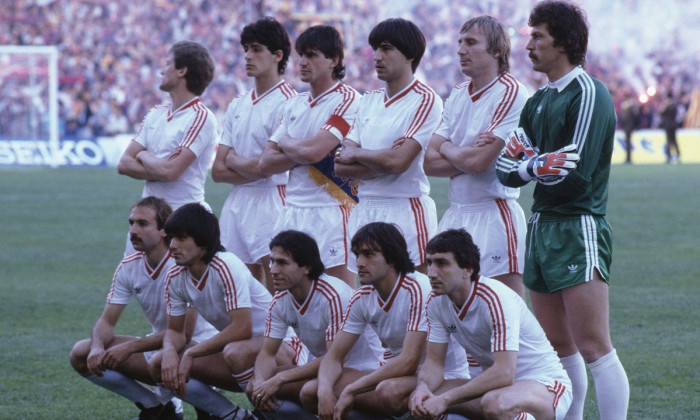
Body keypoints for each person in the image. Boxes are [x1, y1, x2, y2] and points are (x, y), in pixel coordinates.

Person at [495, 2, 629, 419]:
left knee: (593, 344)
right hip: (540, 226)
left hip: (577, 224)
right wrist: (537, 163)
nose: (529, 45)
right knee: (558, 344)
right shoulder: (537, 102)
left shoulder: (588, 92)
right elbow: (504, 169)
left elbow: (576, 174)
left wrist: (529, 163)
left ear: (565, 42)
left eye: (538, 36)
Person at [68, 197, 216, 420]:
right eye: (131, 223)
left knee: (169, 359)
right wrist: (98, 346)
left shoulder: (183, 264)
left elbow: (184, 334)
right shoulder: (129, 266)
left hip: (202, 350)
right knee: (82, 352)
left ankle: (221, 411)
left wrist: (130, 348)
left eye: (143, 224)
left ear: (164, 231)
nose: (133, 231)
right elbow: (107, 322)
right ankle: (156, 409)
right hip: (161, 348)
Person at [304, 222, 468, 419]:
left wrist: (351, 390)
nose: (359, 263)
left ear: (391, 257)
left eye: (368, 254)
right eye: (357, 255)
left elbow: (408, 361)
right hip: (398, 377)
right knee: (311, 390)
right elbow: (333, 356)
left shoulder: (419, 288)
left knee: (388, 392)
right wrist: (324, 391)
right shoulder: (362, 296)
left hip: (442, 378)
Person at [409, 228, 572, 420]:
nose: (431, 273)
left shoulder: (495, 298)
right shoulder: (436, 302)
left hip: (543, 385)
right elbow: (434, 362)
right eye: (429, 263)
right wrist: (423, 388)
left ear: (467, 269)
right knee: (423, 401)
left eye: (442, 264)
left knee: (495, 404)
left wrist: (445, 399)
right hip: (498, 388)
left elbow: (504, 372)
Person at [150, 203, 291, 420]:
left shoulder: (225, 265)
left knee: (235, 351)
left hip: (284, 347)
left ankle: (267, 414)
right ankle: (234, 416)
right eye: (171, 238)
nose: (172, 246)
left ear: (203, 243)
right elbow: (176, 332)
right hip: (241, 354)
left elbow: (242, 328)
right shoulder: (175, 275)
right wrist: (169, 350)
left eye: (180, 238)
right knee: (159, 363)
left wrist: (192, 352)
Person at [424, 15, 529, 297]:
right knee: (444, 310)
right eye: (459, 42)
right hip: (455, 212)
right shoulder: (457, 94)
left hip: (494, 212)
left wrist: (450, 148)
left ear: (496, 50)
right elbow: (428, 162)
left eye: (470, 42)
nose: (460, 49)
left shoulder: (511, 92)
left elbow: (479, 163)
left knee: (503, 314)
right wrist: (465, 152)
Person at [334, 18, 441, 274]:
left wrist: (358, 153)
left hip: (405, 209)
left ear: (410, 55)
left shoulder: (425, 100)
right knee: (371, 297)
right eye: (375, 50)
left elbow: (398, 163)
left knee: (415, 296)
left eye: (386, 48)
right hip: (365, 206)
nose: (377, 57)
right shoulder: (368, 100)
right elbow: (339, 166)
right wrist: (383, 160)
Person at [259, 25, 360, 288]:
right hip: (292, 208)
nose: (302, 62)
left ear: (333, 61)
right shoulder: (294, 103)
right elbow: (266, 162)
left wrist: (288, 144)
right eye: (301, 55)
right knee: (285, 291)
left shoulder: (347, 100)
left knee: (339, 293)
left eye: (312, 55)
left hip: (331, 209)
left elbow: (315, 151)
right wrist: (303, 150)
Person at [245, 230, 383, 419]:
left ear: (306, 267)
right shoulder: (281, 299)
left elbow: (334, 358)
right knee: (256, 384)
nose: (273, 270)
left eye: (282, 263)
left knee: (308, 390)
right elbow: (267, 353)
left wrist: (280, 378)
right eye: (272, 261)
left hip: (363, 368)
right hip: (326, 369)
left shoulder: (333, 296)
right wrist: (261, 382)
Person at [211, 17, 296, 290]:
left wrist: (237, 162)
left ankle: (286, 335)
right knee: (238, 292)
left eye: (256, 48)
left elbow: (269, 167)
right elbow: (218, 171)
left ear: (277, 56)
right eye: (246, 48)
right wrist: (253, 166)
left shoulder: (289, 103)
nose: (248, 56)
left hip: (273, 201)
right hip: (238, 202)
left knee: (278, 288)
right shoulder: (237, 104)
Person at [117, 41, 218, 253]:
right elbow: (124, 163)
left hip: (183, 221)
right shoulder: (156, 113)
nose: (162, 70)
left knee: (176, 285)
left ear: (182, 70)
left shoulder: (201, 117)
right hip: (146, 220)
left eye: (167, 64)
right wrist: (158, 165)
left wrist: (143, 154)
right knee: (135, 283)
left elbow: (170, 171)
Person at [660, 90, 681, 163]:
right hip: (674, 124)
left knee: (668, 141)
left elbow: (661, 113)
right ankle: (678, 155)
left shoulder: (666, 105)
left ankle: (669, 156)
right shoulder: (674, 105)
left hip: (668, 124)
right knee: (674, 140)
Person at [619, 88, 639, 164]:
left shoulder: (629, 105)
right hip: (627, 125)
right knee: (627, 141)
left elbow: (633, 116)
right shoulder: (628, 104)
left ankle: (628, 158)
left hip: (628, 126)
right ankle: (628, 157)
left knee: (628, 141)